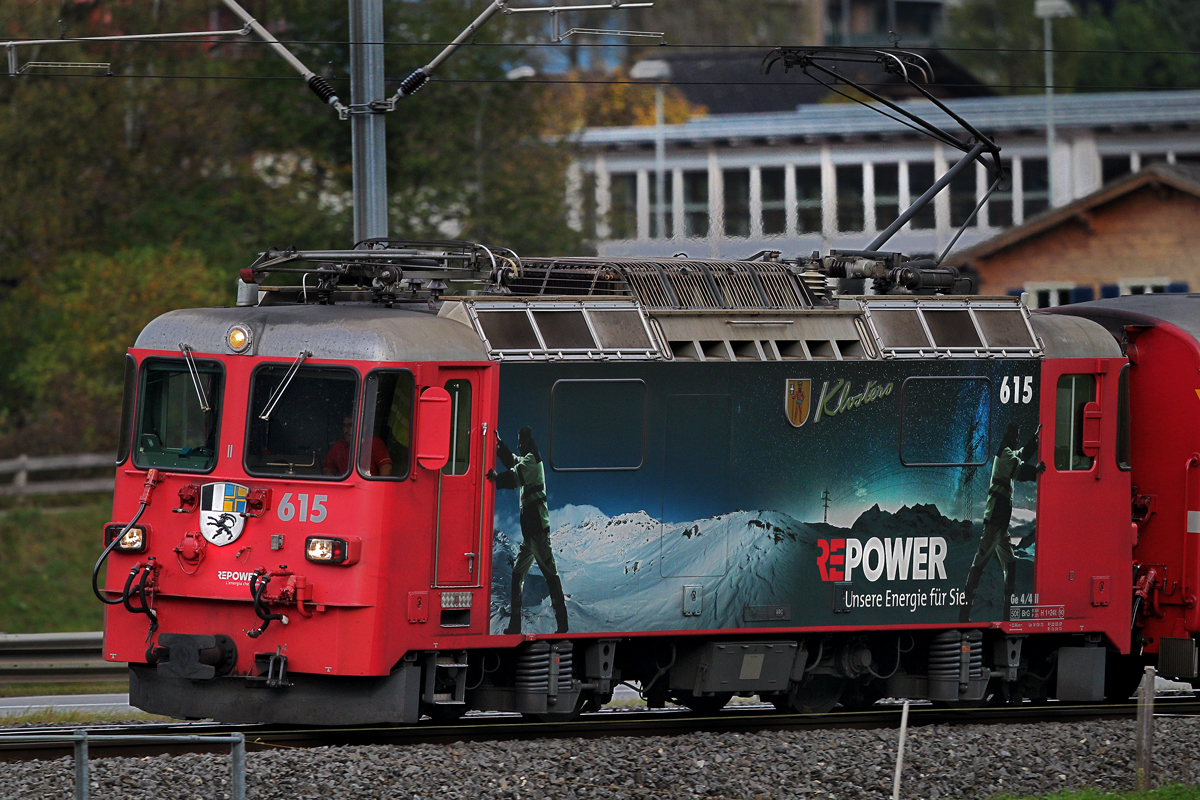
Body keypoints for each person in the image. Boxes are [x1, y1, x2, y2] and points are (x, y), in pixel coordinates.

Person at [487, 427, 568, 634]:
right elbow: (512, 462)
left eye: (520, 441)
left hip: (538, 533)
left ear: (526, 441)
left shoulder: (533, 460)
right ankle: (515, 625)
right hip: (529, 536)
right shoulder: (526, 459)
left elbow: (516, 476)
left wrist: (497, 478)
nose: (518, 445)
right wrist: (500, 445)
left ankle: (563, 624)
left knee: (550, 576)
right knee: (517, 575)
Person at [960, 423, 1043, 623]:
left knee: (1011, 564)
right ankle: (963, 616)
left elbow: (1022, 454)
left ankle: (1008, 615)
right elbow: (1020, 470)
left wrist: (1035, 439)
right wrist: (1037, 471)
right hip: (994, 523)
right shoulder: (1004, 454)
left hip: (1001, 526)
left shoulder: (1007, 453)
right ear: (1010, 435)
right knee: (979, 565)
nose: (1017, 438)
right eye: (1016, 435)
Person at [324, 415, 392, 476]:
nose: (346, 430)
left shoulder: (374, 442)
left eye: (351, 425)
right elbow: (328, 469)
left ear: (364, 428)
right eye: (344, 426)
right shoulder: (338, 446)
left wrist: (379, 488)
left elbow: (386, 467)